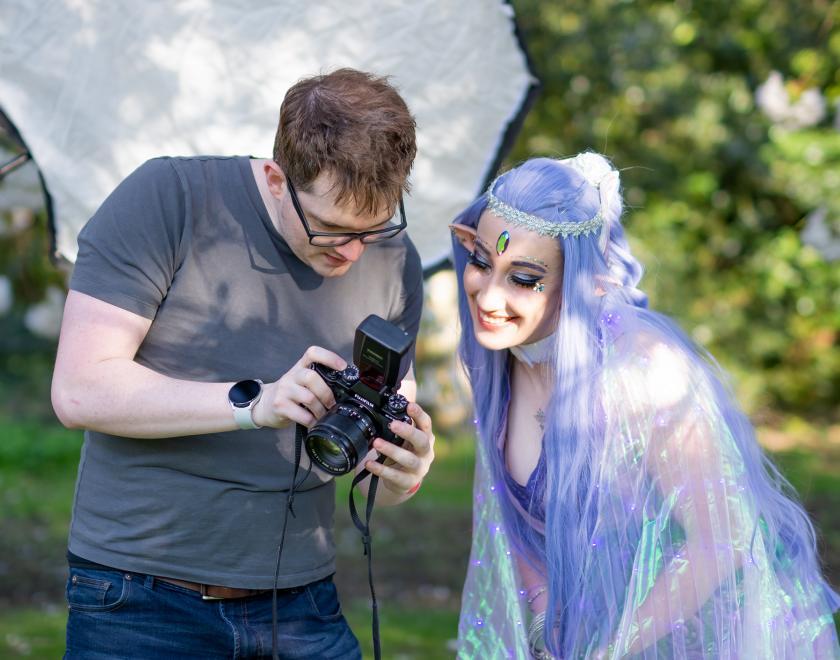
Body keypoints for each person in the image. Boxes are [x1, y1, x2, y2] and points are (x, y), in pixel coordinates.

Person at [51, 68, 435, 659]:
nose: (354, 252)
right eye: (332, 231)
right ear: (278, 179)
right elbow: (80, 388)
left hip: (303, 603)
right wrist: (255, 404)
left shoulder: (392, 259)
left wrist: (404, 468)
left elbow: (380, 430)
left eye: (374, 228)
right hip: (140, 600)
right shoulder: (168, 199)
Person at [449, 152, 839, 659]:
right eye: (482, 261)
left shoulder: (645, 374)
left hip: (712, 633)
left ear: (584, 282)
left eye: (523, 278)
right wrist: (550, 629)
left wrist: (611, 651)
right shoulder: (497, 357)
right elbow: (521, 523)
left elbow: (720, 540)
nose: (488, 297)